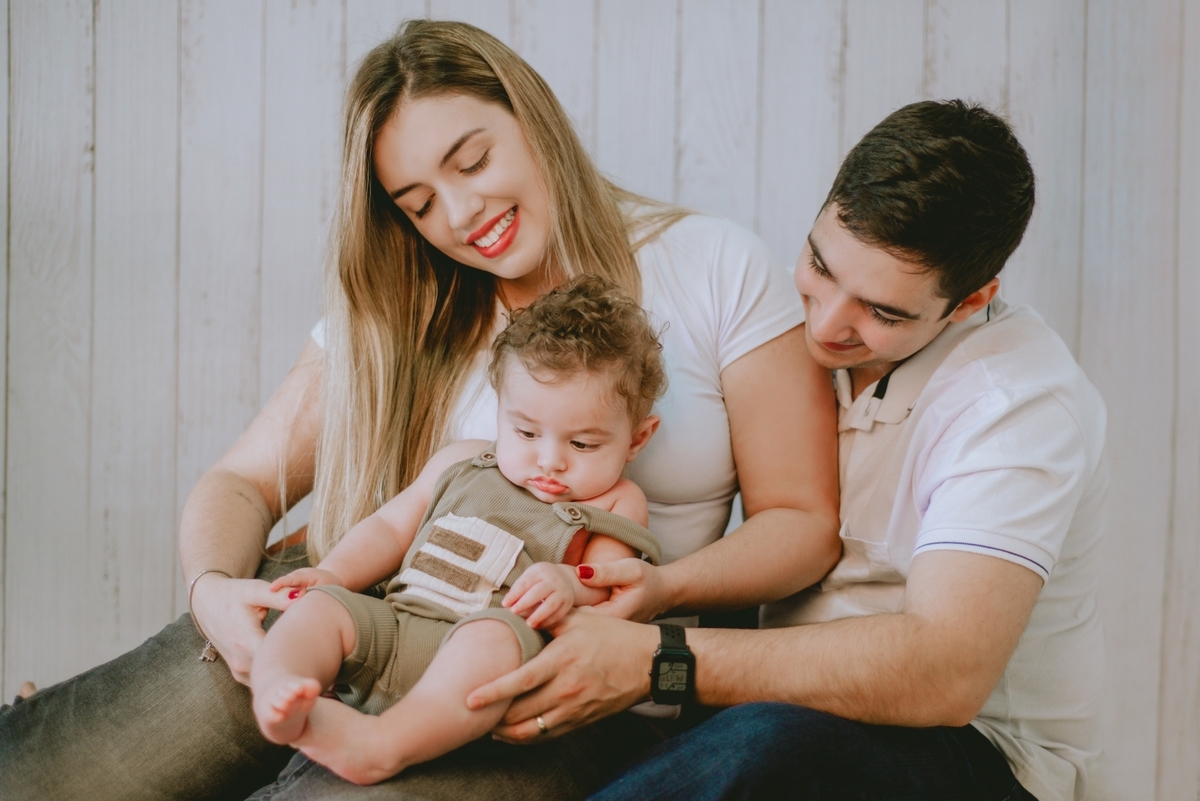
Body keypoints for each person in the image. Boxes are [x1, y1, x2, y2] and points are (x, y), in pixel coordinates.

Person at [0, 19, 840, 801]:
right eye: (419, 202)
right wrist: (216, 591)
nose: (463, 215)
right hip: (361, 624)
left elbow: (802, 522)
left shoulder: (710, 263)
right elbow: (242, 480)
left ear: (530, 117)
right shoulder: (400, 315)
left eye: (472, 161)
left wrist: (657, 592)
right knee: (48, 770)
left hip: (552, 678)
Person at [543, 101, 1104, 801]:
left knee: (770, 744)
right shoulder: (780, 318)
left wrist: (664, 661)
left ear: (970, 300)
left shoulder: (1015, 403)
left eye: (883, 311)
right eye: (820, 263)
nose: (828, 322)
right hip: (772, 712)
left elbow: (946, 671)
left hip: (978, 755)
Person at [250, 276, 666, 785]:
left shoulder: (617, 500)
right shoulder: (464, 461)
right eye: (527, 432)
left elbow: (607, 583)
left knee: (492, 637)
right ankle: (280, 689)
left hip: (485, 657)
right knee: (321, 609)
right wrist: (333, 572)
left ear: (637, 439)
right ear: (500, 409)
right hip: (398, 625)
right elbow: (388, 528)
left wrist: (567, 582)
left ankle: (384, 744)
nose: (549, 460)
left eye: (582, 445)